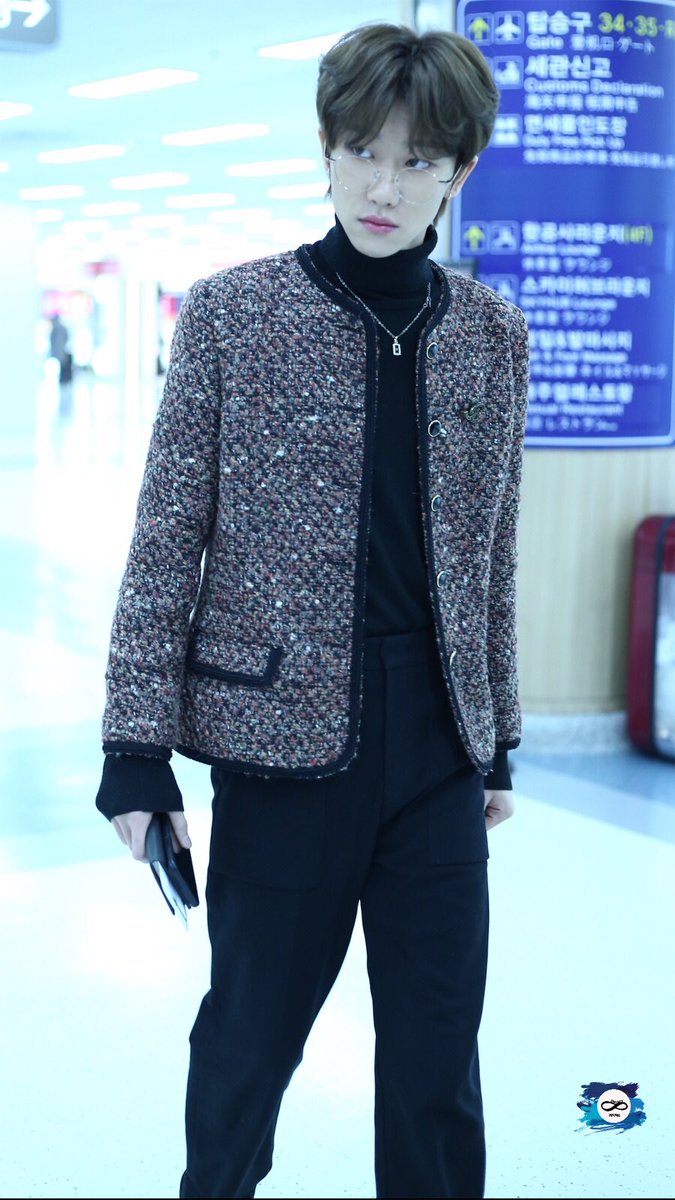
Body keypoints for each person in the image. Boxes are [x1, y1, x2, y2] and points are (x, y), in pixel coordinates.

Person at [95, 21, 530, 1200]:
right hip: (281, 746)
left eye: (417, 160)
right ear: (327, 154)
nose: (385, 187)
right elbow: (165, 541)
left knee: (438, 1055)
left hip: (436, 742)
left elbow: (491, 554)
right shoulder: (233, 315)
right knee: (250, 1038)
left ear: (458, 172)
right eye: (362, 153)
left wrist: (496, 738)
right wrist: (135, 751)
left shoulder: (492, 335)